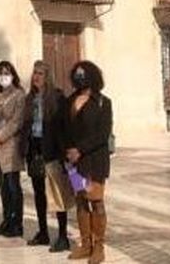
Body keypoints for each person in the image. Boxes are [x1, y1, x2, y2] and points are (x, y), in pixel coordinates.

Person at [62, 60, 113, 264]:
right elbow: (64, 129)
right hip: (75, 163)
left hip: (94, 161)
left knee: (96, 201)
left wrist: (80, 150)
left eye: (84, 74)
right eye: (77, 74)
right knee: (81, 200)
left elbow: (103, 134)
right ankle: (85, 245)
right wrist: (68, 152)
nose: (80, 78)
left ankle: (99, 247)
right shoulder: (70, 100)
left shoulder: (103, 102)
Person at [25, 60, 73, 252]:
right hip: (35, 149)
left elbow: (63, 127)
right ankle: (43, 231)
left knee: (57, 193)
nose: (36, 77)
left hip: (52, 150)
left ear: (48, 77)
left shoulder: (58, 98)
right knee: (39, 194)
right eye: (35, 73)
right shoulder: (30, 98)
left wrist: (64, 153)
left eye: (41, 73)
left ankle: (62, 236)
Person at [0, 60, 27, 238]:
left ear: (13, 75)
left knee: (13, 186)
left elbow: (17, 121)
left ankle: (17, 223)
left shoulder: (19, 95)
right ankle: (7, 219)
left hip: (10, 146)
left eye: (7, 73)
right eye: (1, 73)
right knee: (3, 187)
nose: (4, 76)